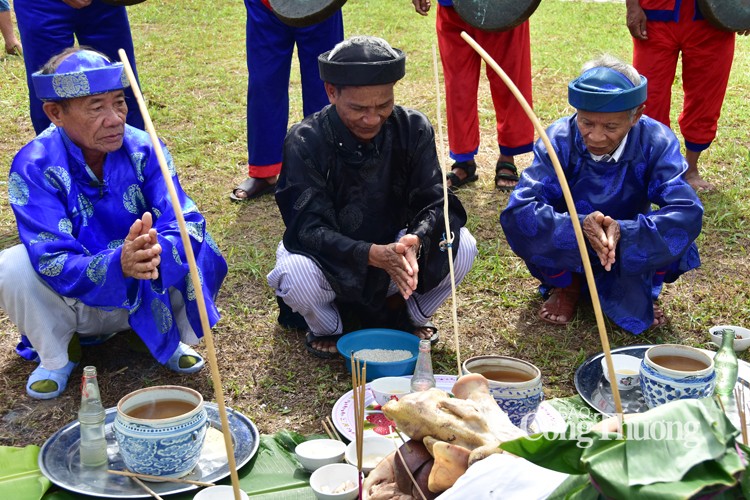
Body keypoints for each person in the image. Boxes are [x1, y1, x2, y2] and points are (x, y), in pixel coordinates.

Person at [0, 48, 228, 399]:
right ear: (55, 113)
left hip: (147, 285)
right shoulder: (34, 164)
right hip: (77, 301)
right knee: (11, 266)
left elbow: (184, 217)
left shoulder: (144, 147)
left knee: (191, 237)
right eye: (96, 107)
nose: (115, 118)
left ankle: (163, 335)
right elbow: (51, 258)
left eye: (119, 103)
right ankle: (57, 356)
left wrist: (155, 250)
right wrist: (117, 263)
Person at [267, 36, 478, 357]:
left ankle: (408, 316)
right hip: (330, 259)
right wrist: (370, 253)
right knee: (297, 274)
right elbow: (308, 229)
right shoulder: (305, 140)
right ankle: (331, 328)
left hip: (395, 246)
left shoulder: (413, 127)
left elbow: (435, 202)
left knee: (462, 246)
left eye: (383, 105)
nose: (372, 118)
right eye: (359, 108)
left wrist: (415, 240)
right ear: (331, 91)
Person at [500, 55, 703, 335]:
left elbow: (686, 209)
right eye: (586, 123)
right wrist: (578, 227)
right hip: (570, 238)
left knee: (679, 228)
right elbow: (521, 207)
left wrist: (627, 231)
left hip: (627, 241)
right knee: (523, 221)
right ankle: (565, 284)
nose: (595, 137)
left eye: (610, 127)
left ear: (636, 115)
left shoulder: (656, 141)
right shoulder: (558, 139)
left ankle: (644, 291)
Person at [410, 0, 534, 191]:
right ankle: (464, 160)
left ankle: (508, 155)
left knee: (508, 80)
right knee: (459, 86)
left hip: (503, 7)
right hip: (454, 8)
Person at [626, 0, 749, 191]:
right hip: (655, 15)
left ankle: (691, 170)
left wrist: (745, 10)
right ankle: (655, 168)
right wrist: (632, 6)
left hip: (714, 18)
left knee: (706, 97)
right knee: (649, 97)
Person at [230, 0, 344, 201]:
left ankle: (323, 170)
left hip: (319, 5)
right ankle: (264, 172)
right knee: (264, 82)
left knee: (322, 83)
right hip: (265, 6)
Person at [13, 0, 144, 134]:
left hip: (104, 5)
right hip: (42, 4)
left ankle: (131, 151)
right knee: (51, 86)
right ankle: (58, 153)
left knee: (120, 81)